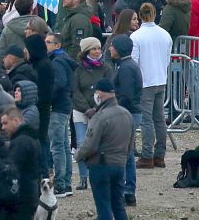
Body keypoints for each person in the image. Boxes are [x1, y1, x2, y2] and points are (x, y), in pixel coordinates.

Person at [75, 78, 133, 220]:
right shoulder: (127, 114)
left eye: (96, 93)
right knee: (118, 206)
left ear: (100, 94)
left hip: (101, 166)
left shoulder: (100, 117)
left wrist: (78, 155)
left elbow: (90, 144)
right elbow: (131, 145)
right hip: (120, 166)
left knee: (104, 208)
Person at [130, 2, 171, 169]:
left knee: (147, 120)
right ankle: (160, 154)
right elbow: (168, 58)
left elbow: (134, 62)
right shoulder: (165, 34)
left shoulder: (136, 37)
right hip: (160, 78)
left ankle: (147, 155)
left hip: (145, 81)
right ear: (155, 13)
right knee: (159, 119)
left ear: (140, 15)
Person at [72, 37, 113, 191]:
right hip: (80, 110)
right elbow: (75, 90)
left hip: (100, 110)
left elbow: (109, 89)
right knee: (82, 144)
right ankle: (83, 178)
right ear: (86, 51)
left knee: (99, 145)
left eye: (98, 48)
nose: (97, 52)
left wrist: (96, 108)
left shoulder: (106, 68)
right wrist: (86, 108)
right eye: (93, 49)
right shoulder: (78, 69)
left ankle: (98, 176)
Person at [109, 34, 142, 206]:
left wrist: (115, 111)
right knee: (127, 153)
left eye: (112, 46)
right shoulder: (125, 65)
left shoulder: (126, 67)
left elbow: (126, 95)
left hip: (127, 113)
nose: (110, 48)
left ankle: (126, 190)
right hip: (130, 112)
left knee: (125, 154)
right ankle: (128, 190)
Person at [47, 30, 77, 196]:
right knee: (64, 145)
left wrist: (47, 98)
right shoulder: (64, 59)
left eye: (49, 42)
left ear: (57, 45)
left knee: (57, 146)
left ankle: (60, 184)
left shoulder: (57, 61)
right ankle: (66, 182)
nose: (46, 45)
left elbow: (58, 83)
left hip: (58, 106)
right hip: (65, 105)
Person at [0, 107, 42, 220]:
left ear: (16, 121)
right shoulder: (31, 138)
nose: (3, 128)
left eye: (5, 123)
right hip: (30, 194)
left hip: (21, 197)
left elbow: (12, 170)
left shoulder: (21, 142)